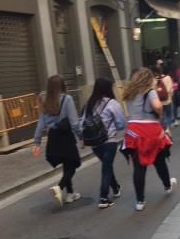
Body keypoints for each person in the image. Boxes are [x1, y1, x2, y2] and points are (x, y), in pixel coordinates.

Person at [121, 68, 176, 212]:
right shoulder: (150, 92)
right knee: (159, 161)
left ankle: (140, 201)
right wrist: (159, 112)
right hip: (150, 130)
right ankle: (167, 185)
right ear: (147, 79)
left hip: (133, 132)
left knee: (139, 167)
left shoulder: (129, 93)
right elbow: (158, 106)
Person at [33, 75, 81, 206]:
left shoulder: (45, 100)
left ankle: (70, 194)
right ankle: (59, 187)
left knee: (67, 164)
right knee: (74, 164)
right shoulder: (67, 99)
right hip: (65, 136)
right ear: (62, 85)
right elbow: (74, 123)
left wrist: (36, 142)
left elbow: (41, 123)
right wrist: (81, 137)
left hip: (53, 137)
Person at [81, 77, 126, 209]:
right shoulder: (112, 104)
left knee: (107, 166)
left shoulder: (88, 104)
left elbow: (81, 123)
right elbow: (121, 124)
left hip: (95, 143)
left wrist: (83, 138)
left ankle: (116, 187)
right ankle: (103, 197)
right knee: (106, 168)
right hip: (109, 142)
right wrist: (113, 128)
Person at [154, 63, 173, 129]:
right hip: (167, 101)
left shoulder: (154, 80)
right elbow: (170, 90)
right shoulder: (168, 78)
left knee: (161, 116)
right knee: (168, 115)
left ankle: (163, 128)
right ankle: (168, 128)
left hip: (159, 102)